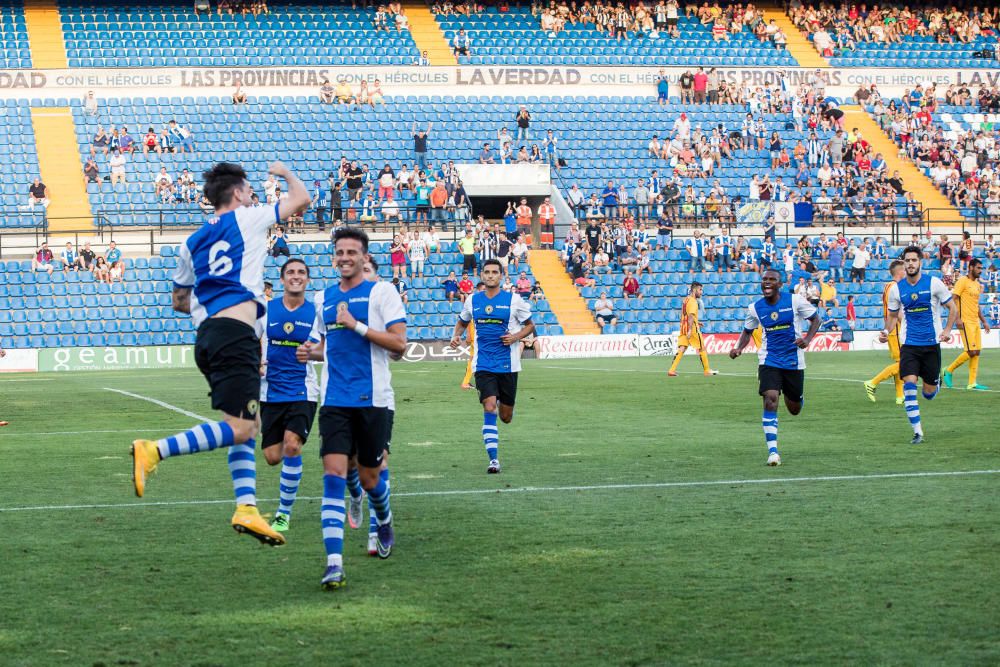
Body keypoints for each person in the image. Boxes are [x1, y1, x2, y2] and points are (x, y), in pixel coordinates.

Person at [129, 161, 310, 548]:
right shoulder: (247, 218)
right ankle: (154, 449)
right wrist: (284, 173)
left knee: (244, 424)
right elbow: (302, 199)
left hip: (207, 336)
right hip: (234, 334)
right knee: (243, 427)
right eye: (248, 191)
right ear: (239, 194)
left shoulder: (190, 242)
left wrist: (210, 298)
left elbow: (179, 300)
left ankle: (246, 507)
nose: (252, 195)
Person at [296, 228, 406, 589]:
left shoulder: (381, 292)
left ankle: (384, 519)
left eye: (352, 252)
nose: (345, 258)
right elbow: (324, 344)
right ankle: (333, 563)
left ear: (364, 257)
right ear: (334, 257)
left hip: (372, 399)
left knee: (371, 477)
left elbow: (399, 344)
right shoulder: (322, 299)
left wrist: (356, 324)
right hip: (334, 401)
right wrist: (309, 352)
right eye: (339, 252)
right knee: (334, 476)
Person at [449, 259, 535, 474]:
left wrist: (515, 336)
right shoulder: (472, 300)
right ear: (482, 276)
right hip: (483, 364)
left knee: (505, 416)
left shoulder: (514, 300)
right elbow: (462, 321)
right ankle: (493, 460)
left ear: (500, 275)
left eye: (494, 272)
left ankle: (504, 412)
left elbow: (530, 326)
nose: (490, 275)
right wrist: (456, 336)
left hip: (508, 365)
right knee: (489, 406)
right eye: (486, 272)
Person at [729, 269, 821, 466]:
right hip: (769, 359)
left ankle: (798, 397)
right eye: (764, 280)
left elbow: (816, 319)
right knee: (770, 398)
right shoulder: (755, 308)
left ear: (780, 284)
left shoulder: (795, 301)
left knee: (794, 408)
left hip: (794, 360)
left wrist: (807, 339)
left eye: (772, 280)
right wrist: (738, 348)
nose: (767, 283)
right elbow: (747, 331)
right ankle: (773, 452)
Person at [258, 258, 319, 534]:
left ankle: (283, 512)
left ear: (307, 280)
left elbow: (324, 346)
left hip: (302, 390)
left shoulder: (316, 312)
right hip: (270, 391)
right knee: (273, 456)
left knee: (292, 445)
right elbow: (251, 341)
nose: (296, 276)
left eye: (301, 273)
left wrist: (314, 352)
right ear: (282, 280)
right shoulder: (265, 311)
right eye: (290, 272)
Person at [880, 246, 960, 444]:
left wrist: (948, 330)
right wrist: (885, 331)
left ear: (920, 263)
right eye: (907, 261)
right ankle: (918, 432)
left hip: (931, 344)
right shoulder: (897, 289)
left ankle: (935, 383)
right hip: (909, 345)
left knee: (928, 393)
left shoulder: (934, 283)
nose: (910, 264)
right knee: (908, 384)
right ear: (904, 264)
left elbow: (952, 307)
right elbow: (891, 316)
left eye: (914, 260)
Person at [942, 259, 991, 391]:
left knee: (977, 352)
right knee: (971, 351)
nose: (980, 271)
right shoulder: (962, 281)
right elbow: (953, 300)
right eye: (978, 268)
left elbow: (976, 304)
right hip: (965, 321)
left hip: (975, 322)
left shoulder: (976, 284)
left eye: (981, 268)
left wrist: (984, 321)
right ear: (970, 268)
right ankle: (948, 370)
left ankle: (972, 383)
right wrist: (957, 318)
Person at [864, 260, 906, 405]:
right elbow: (895, 311)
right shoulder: (894, 287)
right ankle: (873, 382)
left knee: (900, 363)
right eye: (905, 270)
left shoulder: (890, 286)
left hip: (894, 328)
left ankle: (900, 396)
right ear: (900, 272)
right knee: (904, 363)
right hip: (897, 329)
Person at [668, 281, 717, 377]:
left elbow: (686, 315)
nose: (701, 292)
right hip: (692, 329)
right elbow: (690, 316)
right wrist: (691, 329)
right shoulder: (693, 301)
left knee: (682, 348)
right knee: (702, 347)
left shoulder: (686, 300)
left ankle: (671, 370)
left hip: (683, 327)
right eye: (700, 290)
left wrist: (696, 321)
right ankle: (707, 370)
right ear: (694, 290)